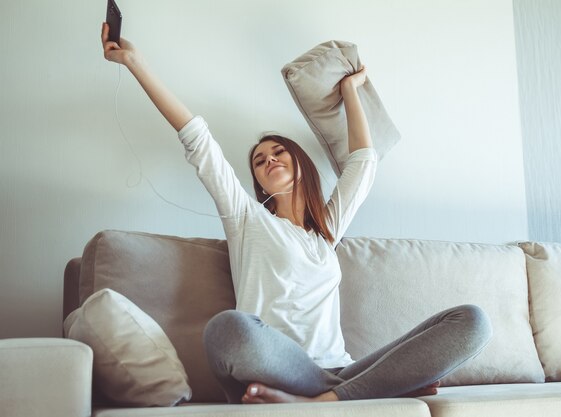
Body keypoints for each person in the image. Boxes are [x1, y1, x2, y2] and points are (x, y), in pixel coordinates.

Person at [101, 22, 493, 404]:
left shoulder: (326, 231)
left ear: (300, 161)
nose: (269, 159)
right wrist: (136, 63)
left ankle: (327, 399)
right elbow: (198, 140)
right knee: (227, 328)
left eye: (278, 152)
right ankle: (364, 391)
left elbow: (363, 161)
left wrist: (349, 91)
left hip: (342, 370)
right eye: (259, 161)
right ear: (257, 182)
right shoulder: (247, 219)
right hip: (284, 368)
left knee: (472, 321)